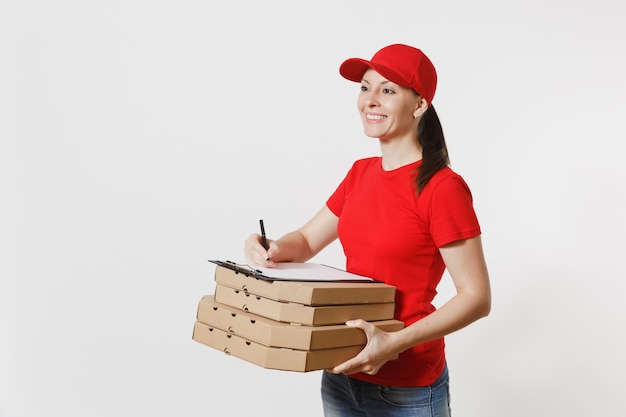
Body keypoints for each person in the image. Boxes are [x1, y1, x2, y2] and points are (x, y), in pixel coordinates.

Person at [244, 43, 491, 417]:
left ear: (419, 105)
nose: (370, 100)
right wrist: (272, 246)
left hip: (408, 388)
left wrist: (393, 343)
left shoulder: (442, 188)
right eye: (365, 87)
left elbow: (476, 297)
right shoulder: (361, 173)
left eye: (387, 90)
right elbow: (308, 240)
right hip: (341, 373)